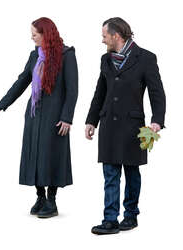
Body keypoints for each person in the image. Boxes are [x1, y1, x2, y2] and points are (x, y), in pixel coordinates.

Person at [0, 17, 78, 218]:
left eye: (35, 34)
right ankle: (40, 196)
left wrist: (67, 117)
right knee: (35, 154)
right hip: (35, 113)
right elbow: (22, 81)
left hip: (56, 116)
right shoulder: (35, 55)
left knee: (52, 154)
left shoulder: (66, 55)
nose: (32, 37)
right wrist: (2, 105)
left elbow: (72, 90)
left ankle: (52, 201)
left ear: (46, 34)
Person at [85, 17, 166, 234]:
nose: (102, 40)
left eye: (104, 36)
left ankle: (130, 215)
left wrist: (157, 120)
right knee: (110, 173)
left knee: (131, 172)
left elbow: (157, 93)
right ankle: (110, 220)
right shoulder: (105, 59)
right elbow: (100, 92)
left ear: (116, 36)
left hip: (132, 127)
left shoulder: (146, 58)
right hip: (108, 124)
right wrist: (91, 120)